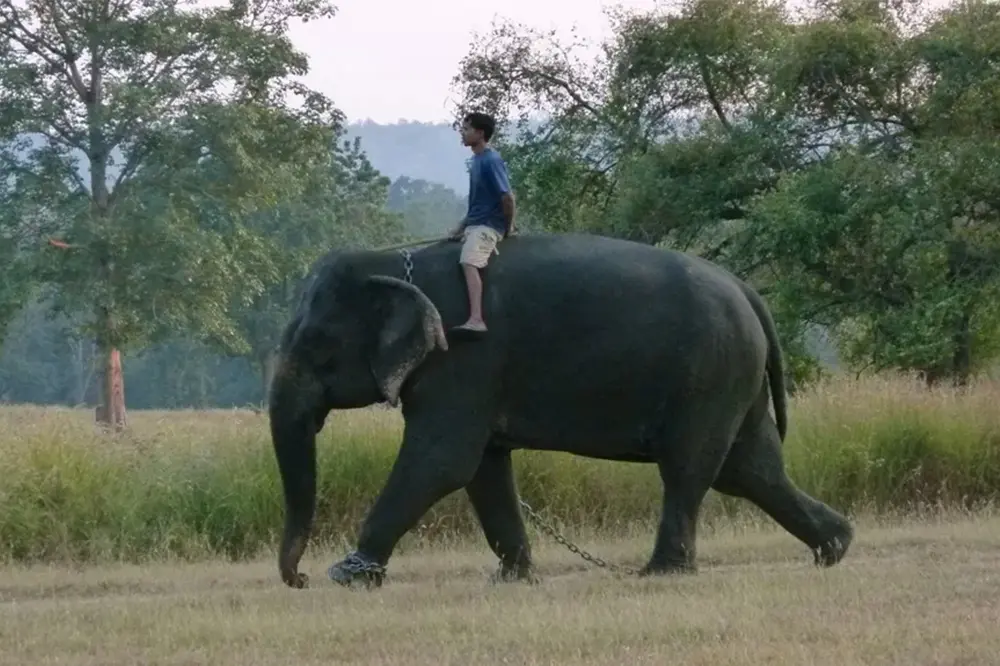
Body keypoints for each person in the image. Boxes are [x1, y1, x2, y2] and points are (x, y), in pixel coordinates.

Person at [447, 111, 516, 339]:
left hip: (488, 226)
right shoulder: (476, 161)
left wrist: (507, 227)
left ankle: (477, 319)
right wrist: (459, 229)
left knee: (468, 261)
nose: (463, 133)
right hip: (475, 224)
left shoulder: (491, 160)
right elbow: (477, 203)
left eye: (466, 129)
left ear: (480, 133)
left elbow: (507, 198)